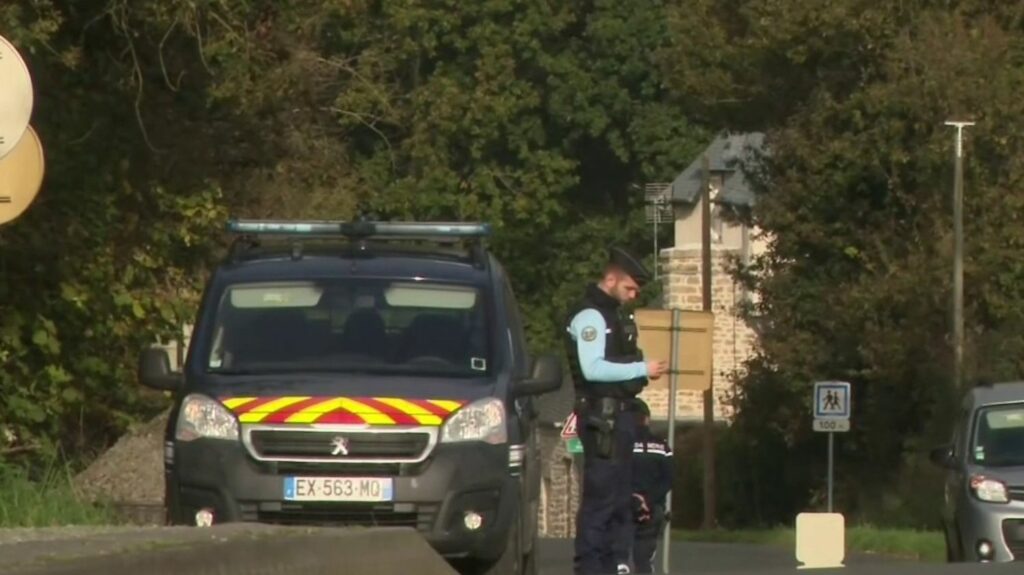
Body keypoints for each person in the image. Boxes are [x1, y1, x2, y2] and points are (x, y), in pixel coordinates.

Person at [564, 247, 669, 575]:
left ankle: (617, 566)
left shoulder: (615, 316)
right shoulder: (590, 316)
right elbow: (592, 368)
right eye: (629, 288)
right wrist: (641, 367)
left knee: (622, 501)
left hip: (621, 418)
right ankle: (592, 568)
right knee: (602, 504)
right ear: (611, 279)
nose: (634, 295)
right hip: (602, 420)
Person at [614, 399, 674, 574]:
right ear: (647, 419)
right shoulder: (662, 447)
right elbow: (668, 479)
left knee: (619, 557)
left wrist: (632, 498)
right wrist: (646, 500)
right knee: (644, 559)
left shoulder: (619, 445)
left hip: (623, 507)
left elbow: (614, 476)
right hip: (652, 509)